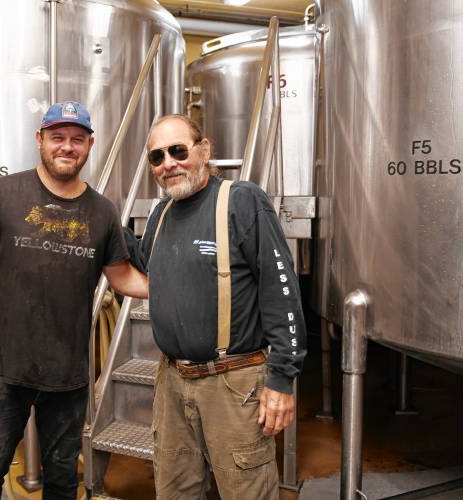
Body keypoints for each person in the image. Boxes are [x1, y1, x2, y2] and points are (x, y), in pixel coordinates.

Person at [0, 101, 148, 500]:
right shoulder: (3, 194)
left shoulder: (104, 212)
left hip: (69, 375)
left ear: (90, 145)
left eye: (77, 139)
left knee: (62, 480)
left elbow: (122, 276)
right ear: (40, 139)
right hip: (2, 369)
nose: (67, 147)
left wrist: (182, 285)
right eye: (57, 137)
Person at [140, 114, 307, 499]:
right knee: (174, 492)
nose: (169, 163)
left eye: (178, 151)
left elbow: (281, 291)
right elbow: (141, 271)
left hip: (234, 385)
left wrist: (282, 379)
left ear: (205, 150)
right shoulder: (159, 216)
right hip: (172, 385)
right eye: (157, 157)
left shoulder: (242, 201)